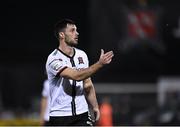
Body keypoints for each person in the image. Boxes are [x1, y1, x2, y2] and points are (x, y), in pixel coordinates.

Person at [45, 18, 114, 126]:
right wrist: (99, 64)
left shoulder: (82, 55)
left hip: (82, 114)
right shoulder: (53, 59)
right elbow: (76, 76)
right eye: (72, 30)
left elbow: (87, 84)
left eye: (76, 30)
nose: (77, 33)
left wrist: (95, 106)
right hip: (60, 116)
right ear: (62, 35)